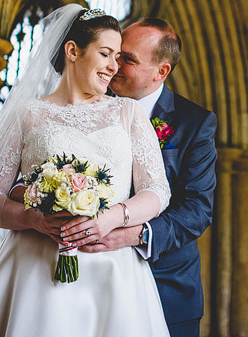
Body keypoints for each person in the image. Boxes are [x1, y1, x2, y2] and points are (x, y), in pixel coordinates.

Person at [0, 4, 171, 337]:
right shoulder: (29, 115)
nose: (114, 66)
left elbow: (158, 191)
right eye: (106, 53)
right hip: (33, 268)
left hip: (113, 271)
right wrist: (32, 219)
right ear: (72, 51)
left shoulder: (128, 114)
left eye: (120, 56)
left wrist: (113, 217)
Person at [81, 18, 218, 337]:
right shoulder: (85, 107)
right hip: (90, 280)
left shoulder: (194, 123)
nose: (114, 65)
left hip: (165, 286)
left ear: (161, 72)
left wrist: (134, 235)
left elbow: (198, 208)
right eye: (114, 54)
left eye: (127, 59)